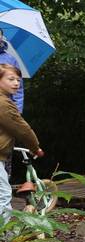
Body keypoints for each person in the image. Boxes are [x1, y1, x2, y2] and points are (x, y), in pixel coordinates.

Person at [0, 64, 42, 224]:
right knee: (3, 194)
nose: (16, 83)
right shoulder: (4, 104)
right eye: (10, 79)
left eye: (18, 80)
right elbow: (22, 128)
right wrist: (35, 147)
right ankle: (4, 236)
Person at [0, 29, 24, 179]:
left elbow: (19, 88)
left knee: (5, 153)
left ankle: (3, 188)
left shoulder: (10, 59)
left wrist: (17, 112)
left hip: (6, 112)